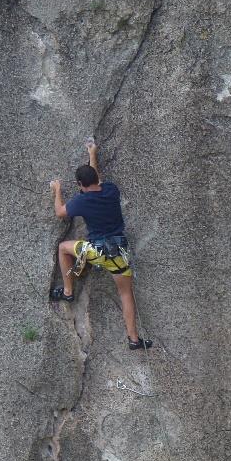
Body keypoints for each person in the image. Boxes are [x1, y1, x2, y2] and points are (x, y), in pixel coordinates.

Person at [49, 138, 153, 350]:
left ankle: (68, 292)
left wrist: (57, 190)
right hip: (118, 253)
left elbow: (60, 213)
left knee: (63, 248)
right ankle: (134, 339)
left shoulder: (81, 201)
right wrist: (93, 154)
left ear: (79, 186)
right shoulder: (111, 191)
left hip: (96, 251)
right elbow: (98, 180)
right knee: (125, 293)